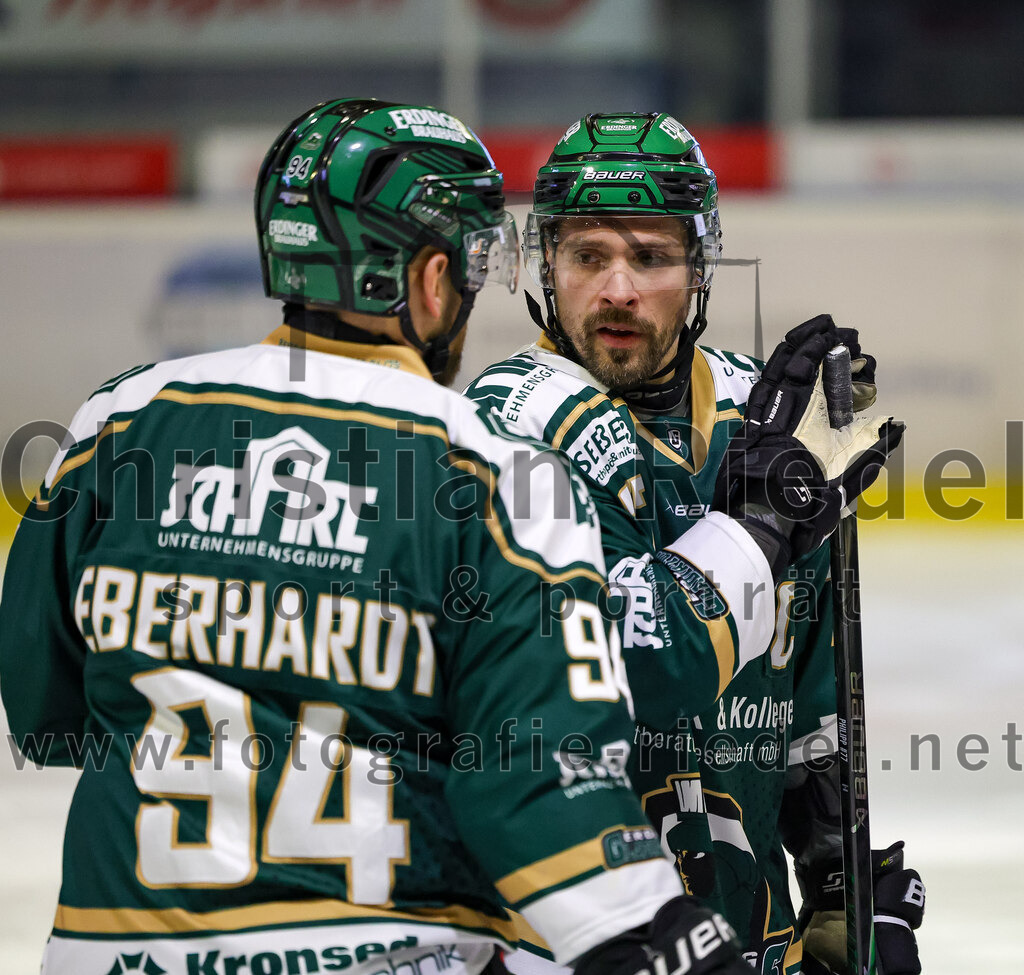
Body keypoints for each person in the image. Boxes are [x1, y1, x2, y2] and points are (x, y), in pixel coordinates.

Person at [0, 98, 757, 975]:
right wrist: (673, 939)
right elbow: (540, 787)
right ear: (432, 282)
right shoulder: (497, 476)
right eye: (472, 264)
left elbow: (46, 707)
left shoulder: (119, 421)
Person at [465, 112, 924, 975]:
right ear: (543, 266)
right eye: (587, 255)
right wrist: (763, 520)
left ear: (700, 266)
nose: (618, 289)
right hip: (582, 944)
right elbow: (630, 663)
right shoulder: (509, 424)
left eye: (652, 255)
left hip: (749, 935)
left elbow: (809, 670)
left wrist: (835, 875)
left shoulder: (761, 410)